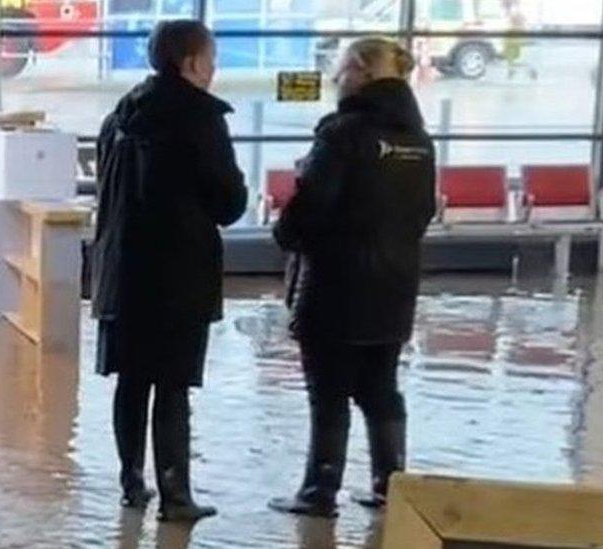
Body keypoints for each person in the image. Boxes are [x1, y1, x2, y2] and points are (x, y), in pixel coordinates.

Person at [269, 37, 436, 518]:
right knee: (381, 386)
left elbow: (312, 207)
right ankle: (391, 483)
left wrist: (286, 232)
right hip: (395, 283)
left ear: (361, 71)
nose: (336, 78)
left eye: (341, 69)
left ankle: (319, 490)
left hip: (336, 285)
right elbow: (422, 211)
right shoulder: (418, 141)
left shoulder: (342, 134)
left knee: (328, 390)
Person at [91, 20, 247, 523]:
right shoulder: (200, 119)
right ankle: (176, 495)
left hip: (121, 271)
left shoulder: (120, 115)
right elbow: (228, 202)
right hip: (178, 274)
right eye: (212, 58)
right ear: (192, 63)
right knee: (173, 385)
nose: (215, 68)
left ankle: (131, 485)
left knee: (132, 381)